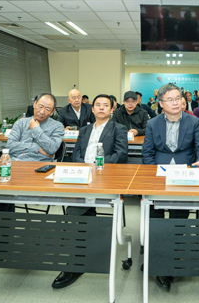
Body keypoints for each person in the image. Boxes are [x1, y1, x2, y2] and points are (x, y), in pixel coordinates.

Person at [52, 95, 129, 290]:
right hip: (83, 176)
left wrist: (96, 166)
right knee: (75, 210)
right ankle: (80, 252)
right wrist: (84, 168)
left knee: (75, 212)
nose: (101, 108)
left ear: (112, 109)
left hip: (106, 177)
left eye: (106, 105)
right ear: (92, 109)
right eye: (98, 105)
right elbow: (76, 153)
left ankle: (76, 262)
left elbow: (120, 154)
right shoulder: (85, 129)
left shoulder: (119, 129)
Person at [142, 83, 199, 293]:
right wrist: (152, 174)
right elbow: (147, 152)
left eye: (178, 98)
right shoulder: (152, 123)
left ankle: (174, 257)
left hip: (184, 173)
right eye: (170, 99)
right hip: (158, 173)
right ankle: (156, 255)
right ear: (161, 104)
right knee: (155, 217)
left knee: (178, 218)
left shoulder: (193, 121)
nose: (176, 102)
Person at [7, 93, 65, 162]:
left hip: (41, 164)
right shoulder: (21, 123)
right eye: (40, 106)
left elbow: (51, 149)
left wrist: (36, 129)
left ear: (52, 112)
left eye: (47, 109)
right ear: (34, 104)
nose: (42, 112)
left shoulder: (57, 126)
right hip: (17, 162)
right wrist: (37, 148)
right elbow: (10, 146)